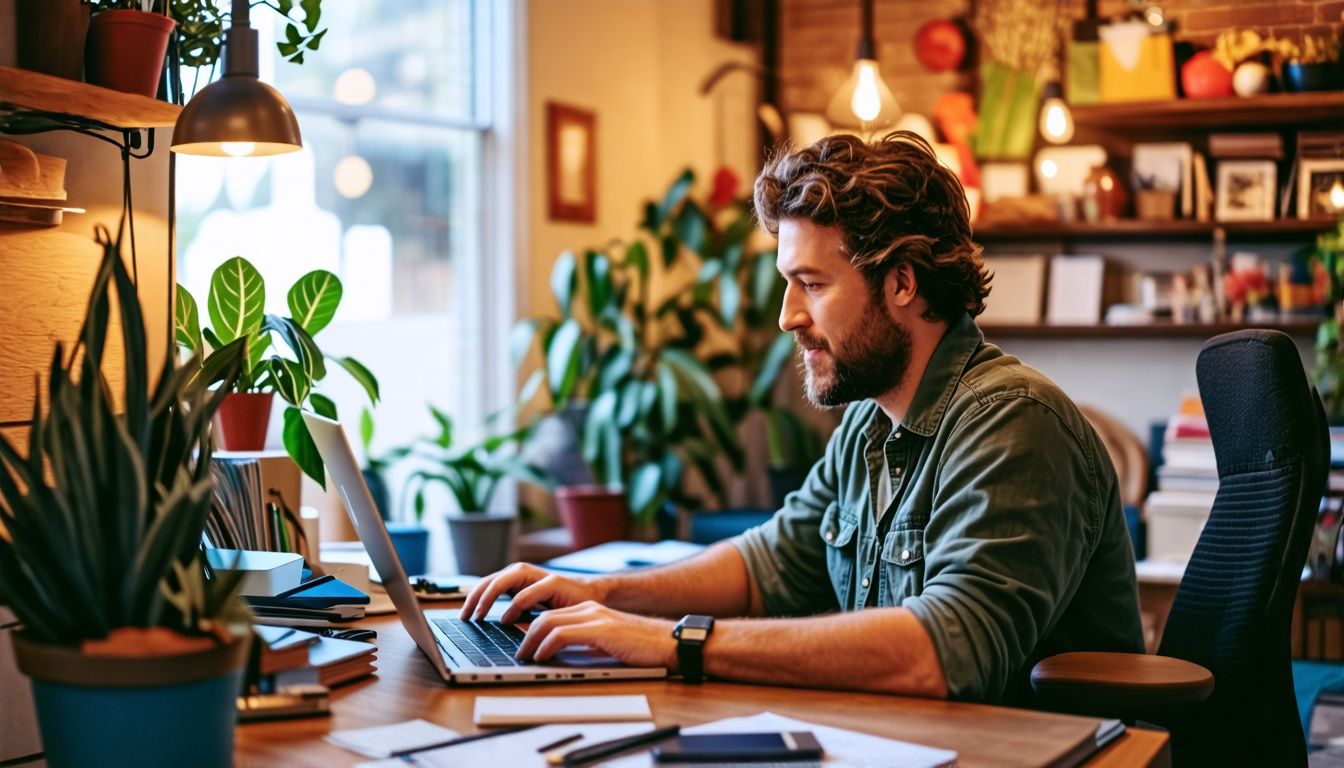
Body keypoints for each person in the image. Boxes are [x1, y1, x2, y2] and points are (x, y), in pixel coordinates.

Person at [462, 131, 1144, 704]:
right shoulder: (870, 424)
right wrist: (599, 593)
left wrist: (677, 643)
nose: (788, 316)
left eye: (812, 285)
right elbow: (768, 564)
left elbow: (944, 651)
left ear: (902, 281)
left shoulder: (1013, 423)